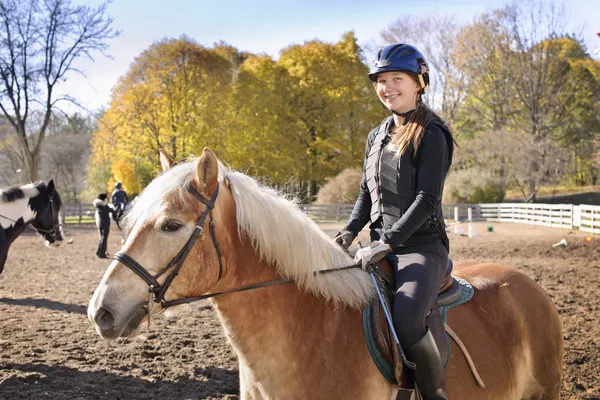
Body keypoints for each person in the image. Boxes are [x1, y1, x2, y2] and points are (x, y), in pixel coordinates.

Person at [334, 43, 455, 400]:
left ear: (419, 82)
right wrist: (348, 232)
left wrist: (388, 242)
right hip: (377, 244)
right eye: (381, 80)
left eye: (396, 78)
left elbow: (427, 200)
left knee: (405, 317)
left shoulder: (433, 134)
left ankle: (434, 394)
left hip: (421, 248)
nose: (387, 87)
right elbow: (365, 194)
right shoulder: (376, 135)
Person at [93, 193, 113, 259]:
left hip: (101, 224)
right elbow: (111, 210)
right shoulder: (104, 206)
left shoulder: (98, 206)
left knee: (102, 238)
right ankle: (102, 254)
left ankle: (99, 252)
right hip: (105, 224)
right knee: (104, 239)